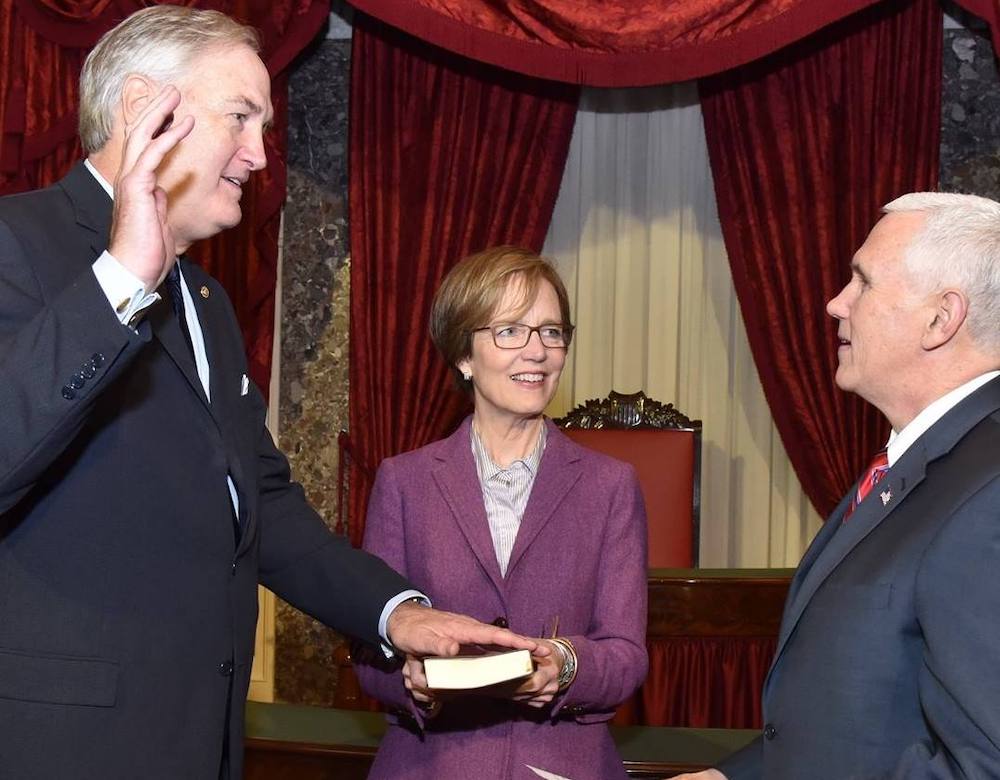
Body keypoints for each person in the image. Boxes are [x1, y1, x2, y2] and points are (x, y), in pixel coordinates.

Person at [0, 8, 542, 779]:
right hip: (62, 748)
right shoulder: (15, 244)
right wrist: (119, 282)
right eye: (241, 117)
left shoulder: (209, 304)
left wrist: (399, 614)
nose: (260, 154)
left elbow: (259, 502)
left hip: (198, 743)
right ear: (141, 110)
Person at [675, 193, 1000, 780]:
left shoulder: (989, 490)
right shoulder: (926, 459)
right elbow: (858, 721)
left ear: (940, 317)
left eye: (863, 282)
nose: (834, 304)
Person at [354, 246, 649, 779]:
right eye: (510, 330)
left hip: (564, 764)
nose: (537, 351)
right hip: (430, 765)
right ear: (464, 356)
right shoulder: (404, 481)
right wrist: (411, 676)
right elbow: (370, 651)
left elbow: (626, 655)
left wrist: (566, 665)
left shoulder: (611, 486)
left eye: (552, 332)